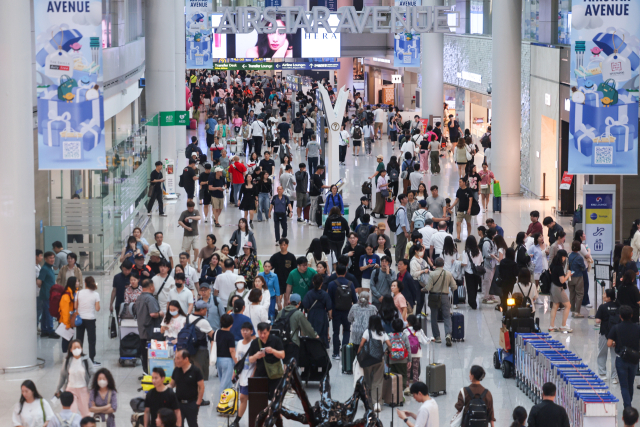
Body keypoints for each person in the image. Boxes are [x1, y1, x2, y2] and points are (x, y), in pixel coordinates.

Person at [357, 315, 390, 412]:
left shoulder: (367, 332)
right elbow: (390, 345)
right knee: (378, 381)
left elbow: (361, 344)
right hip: (379, 360)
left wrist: (358, 354)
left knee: (367, 381)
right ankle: (377, 404)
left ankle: (368, 402)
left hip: (368, 360)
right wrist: (388, 351)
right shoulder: (383, 333)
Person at [55, 339, 95, 417]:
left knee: (86, 413)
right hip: (70, 390)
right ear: (70, 349)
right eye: (74, 347)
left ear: (81, 348)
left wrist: (90, 387)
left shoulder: (86, 360)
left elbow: (93, 374)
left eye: (78, 347)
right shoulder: (67, 361)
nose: (77, 349)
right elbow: (62, 376)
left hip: (84, 389)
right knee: (71, 413)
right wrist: (57, 389)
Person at [247, 322, 286, 400]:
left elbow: (282, 355)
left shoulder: (276, 340)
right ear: (257, 331)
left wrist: (273, 351)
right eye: (260, 333)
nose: (262, 336)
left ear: (269, 331)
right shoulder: (255, 343)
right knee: (260, 400)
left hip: (275, 376)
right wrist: (256, 356)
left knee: (275, 399)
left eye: (265, 333)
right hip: (260, 375)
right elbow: (250, 359)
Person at [327, 264, 358, 358]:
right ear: (345, 272)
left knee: (336, 332)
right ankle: (345, 352)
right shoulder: (350, 284)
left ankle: (335, 353)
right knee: (347, 331)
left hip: (336, 312)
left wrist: (330, 312)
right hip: (347, 312)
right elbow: (355, 300)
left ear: (336, 273)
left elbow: (329, 299)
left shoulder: (332, 284)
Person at [424, 257, 457, 345]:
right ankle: (448, 334)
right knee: (447, 316)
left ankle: (437, 337)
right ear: (443, 264)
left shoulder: (432, 274)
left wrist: (422, 289)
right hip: (445, 297)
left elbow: (428, 287)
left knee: (434, 317)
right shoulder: (448, 274)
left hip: (434, 297)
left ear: (434, 264)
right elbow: (454, 287)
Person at [135, 279, 163, 374]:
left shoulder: (139, 298)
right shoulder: (150, 298)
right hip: (150, 331)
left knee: (144, 353)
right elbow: (153, 314)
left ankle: (145, 371)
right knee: (151, 353)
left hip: (141, 330)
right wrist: (160, 314)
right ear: (151, 287)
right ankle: (151, 372)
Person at [170, 350, 205, 427]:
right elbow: (171, 385)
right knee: (178, 425)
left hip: (191, 404)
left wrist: (198, 403)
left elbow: (201, 387)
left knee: (193, 424)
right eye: (175, 358)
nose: (176, 361)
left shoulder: (196, 371)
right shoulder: (176, 370)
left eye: (178, 358)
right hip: (178, 404)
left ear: (186, 359)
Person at [594, 288, 620, 383]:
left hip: (604, 333)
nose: (603, 295)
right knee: (615, 355)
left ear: (608, 297)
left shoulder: (602, 307)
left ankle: (602, 374)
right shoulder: (618, 306)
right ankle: (614, 377)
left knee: (602, 353)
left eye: (604, 294)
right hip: (616, 335)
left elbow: (597, 320)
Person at [75, 276, 101, 364]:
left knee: (79, 339)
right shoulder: (96, 294)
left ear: (85, 283)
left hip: (80, 319)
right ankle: (91, 359)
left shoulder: (78, 293)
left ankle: (78, 358)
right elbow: (97, 309)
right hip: (90, 319)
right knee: (91, 340)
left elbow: (75, 306)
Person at [302, 274, 332, 348]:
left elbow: (305, 305)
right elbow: (329, 307)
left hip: (312, 315)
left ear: (313, 282)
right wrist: (330, 316)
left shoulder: (309, 293)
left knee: (312, 332)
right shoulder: (325, 294)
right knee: (322, 333)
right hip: (322, 315)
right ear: (321, 283)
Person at [387, 318, 412, 401]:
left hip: (392, 359)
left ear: (393, 327)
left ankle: (394, 394)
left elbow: (386, 349)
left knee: (393, 377)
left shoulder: (389, 336)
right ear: (402, 327)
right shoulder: (404, 335)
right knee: (403, 376)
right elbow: (408, 348)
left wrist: (387, 360)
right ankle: (400, 392)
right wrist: (409, 360)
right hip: (403, 359)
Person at [548, 250, 573, 333]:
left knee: (555, 306)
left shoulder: (552, 264)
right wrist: (568, 275)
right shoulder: (559, 267)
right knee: (567, 305)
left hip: (552, 286)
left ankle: (551, 326)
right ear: (562, 257)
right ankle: (563, 325)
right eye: (565, 257)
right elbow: (562, 280)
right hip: (558, 288)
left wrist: (565, 275)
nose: (565, 259)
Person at [461, 236, 483, 310]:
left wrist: (458, 263)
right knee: (475, 287)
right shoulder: (478, 251)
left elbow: (465, 263)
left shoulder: (466, 252)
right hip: (477, 272)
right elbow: (480, 261)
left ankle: (472, 302)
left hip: (469, 272)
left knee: (470, 288)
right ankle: (473, 301)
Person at [567, 240, 587, 318]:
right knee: (579, 294)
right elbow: (583, 268)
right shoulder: (579, 257)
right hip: (578, 277)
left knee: (572, 294)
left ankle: (572, 310)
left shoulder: (569, 255)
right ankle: (577, 311)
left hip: (570, 277)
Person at [450, 178, 473, 243]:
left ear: (464, 182)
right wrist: (452, 206)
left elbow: (470, 199)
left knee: (468, 223)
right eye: (459, 182)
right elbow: (457, 199)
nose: (459, 183)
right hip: (460, 210)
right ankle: (458, 237)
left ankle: (468, 236)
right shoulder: (459, 190)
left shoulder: (469, 190)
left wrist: (469, 208)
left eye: (460, 182)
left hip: (467, 210)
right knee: (458, 223)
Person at [59, 277, 78, 353]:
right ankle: (65, 354)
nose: (78, 283)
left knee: (69, 338)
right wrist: (66, 324)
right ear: (73, 283)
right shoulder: (66, 296)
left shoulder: (73, 293)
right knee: (66, 339)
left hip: (70, 320)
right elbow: (65, 311)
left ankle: (68, 353)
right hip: (66, 321)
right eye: (77, 281)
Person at [394, 193, 411, 263]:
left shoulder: (403, 209)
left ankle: (401, 259)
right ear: (401, 200)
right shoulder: (401, 210)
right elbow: (402, 223)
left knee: (403, 246)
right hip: (401, 231)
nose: (407, 199)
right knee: (399, 246)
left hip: (403, 231)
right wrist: (405, 232)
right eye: (405, 198)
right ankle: (397, 260)